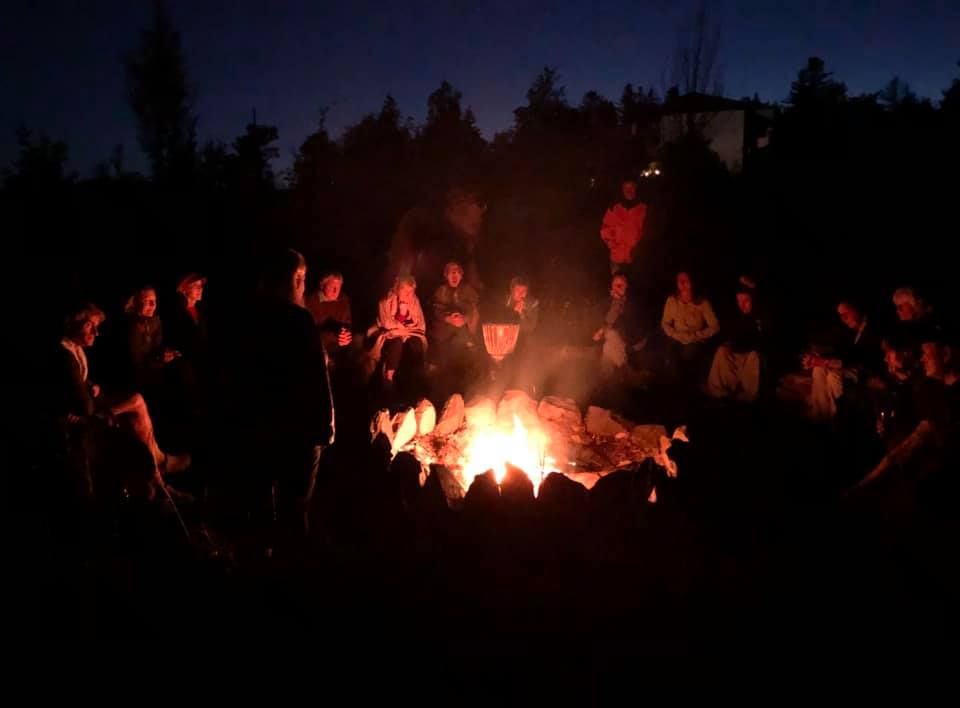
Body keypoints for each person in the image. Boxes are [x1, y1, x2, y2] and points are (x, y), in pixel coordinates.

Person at [244, 248, 335, 542]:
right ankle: (291, 559)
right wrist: (326, 424)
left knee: (262, 496)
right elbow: (316, 376)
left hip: (261, 424)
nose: (303, 286)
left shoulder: (251, 317)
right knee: (295, 504)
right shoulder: (298, 319)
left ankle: (262, 552)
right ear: (292, 279)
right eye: (301, 278)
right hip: (299, 428)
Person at [58, 303, 189, 500]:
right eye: (89, 325)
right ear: (73, 323)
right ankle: (159, 468)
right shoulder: (65, 355)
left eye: (96, 326)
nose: (96, 332)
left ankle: (160, 482)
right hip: (78, 417)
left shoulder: (75, 349)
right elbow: (82, 404)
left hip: (87, 408)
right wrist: (93, 398)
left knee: (137, 406)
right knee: (136, 404)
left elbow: (80, 380)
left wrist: (91, 385)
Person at [802, 299, 883, 421]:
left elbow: (858, 359)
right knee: (818, 369)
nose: (843, 318)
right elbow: (843, 353)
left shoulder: (872, 328)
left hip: (865, 369)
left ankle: (838, 416)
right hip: (852, 366)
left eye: (846, 313)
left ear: (856, 309)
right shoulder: (851, 331)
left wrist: (824, 362)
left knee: (833, 376)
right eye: (841, 315)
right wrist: (818, 359)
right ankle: (820, 414)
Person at [707, 283, 765, 401]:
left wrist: (741, 346)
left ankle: (748, 394)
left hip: (751, 356)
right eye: (739, 301)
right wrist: (729, 344)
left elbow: (762, 341)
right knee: (721, 351)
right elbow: (732, 336)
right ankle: (719, 390)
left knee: (754, 357)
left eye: (746, 301)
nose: (742, 305)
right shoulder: (736, 316)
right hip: (737, 353)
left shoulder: (761, 316)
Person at [118, 286, 179, 396]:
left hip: (153, 371)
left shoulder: (155, 321)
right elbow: (136, 362)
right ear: (135, 303)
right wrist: (160, 359)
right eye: (147, 301)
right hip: (135, 379)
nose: (153, 305)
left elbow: (156, 347)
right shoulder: (131, 327)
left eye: (154, 300)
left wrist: (165, 353)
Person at [661, 271, 719, 381]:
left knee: (688, 353)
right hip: (676, 338)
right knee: (669, 354)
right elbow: (665, 322)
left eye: (685, 280)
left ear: (692, 282)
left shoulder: (702, 303)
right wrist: (673, 333)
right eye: (680, 280)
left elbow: (715, 326)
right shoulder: (672, 300)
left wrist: (697, 335)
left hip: (694, 340)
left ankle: (686, 381)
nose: (682, 283)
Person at [372, 275, 428, 386]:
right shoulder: (385, 301)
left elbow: (420, 323)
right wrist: (401, 315)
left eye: (411, 291)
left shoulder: (414, 301)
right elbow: (386, 323)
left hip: (409, 332)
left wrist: (409, 327)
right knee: (396, 343)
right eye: (405, 291)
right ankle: (389, 376)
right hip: (391, 334)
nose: (409, 295)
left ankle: (417, 378)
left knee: (416, 343)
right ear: (397, 289)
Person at [592, 273, 646, 375]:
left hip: (633, 342)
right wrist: (599, 331)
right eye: (615, 285)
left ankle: (622, 372)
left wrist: (617, 302)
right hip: (616, 342)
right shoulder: (608, 302)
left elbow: (627, 326)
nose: (618, 288)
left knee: (611, 339)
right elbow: (601, 320)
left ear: (627, 286)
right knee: (609, 343)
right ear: (611, 287)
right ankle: (612, 374)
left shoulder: (633, 302)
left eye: (621, 285)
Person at [430, 261, 479, 362]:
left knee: (464, 346)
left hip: (464, 330)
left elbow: (474, 308)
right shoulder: (441, 291)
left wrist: (465, 318)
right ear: (446, 276)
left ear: (461, 276)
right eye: (451, 272)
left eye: (457, 272)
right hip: (445, 332)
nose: (454, 275)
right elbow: (436, 310)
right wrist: (448, 318)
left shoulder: (468, 290)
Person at [600, 177, 648, 275]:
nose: (628, 191)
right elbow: (605, 230)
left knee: (635, 281)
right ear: (622, 190)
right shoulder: (614, 208)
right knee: (618, 283)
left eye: (631, 187)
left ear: (636, 188)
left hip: (636, 258)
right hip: (617, 258)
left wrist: (639, 249)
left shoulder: (643, 209)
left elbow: (647, 232)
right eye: (626, 188)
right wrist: (613, 246)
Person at [305, 271, 353, 355]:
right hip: (319, 350)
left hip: (340, 348)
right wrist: (336, 336)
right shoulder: (311, 302)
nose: (335, 291)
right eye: (332, 286)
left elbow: (347, 323)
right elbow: (311, 334)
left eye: (338, 287)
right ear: (322, 285)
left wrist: (346, 335)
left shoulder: (343, 300)